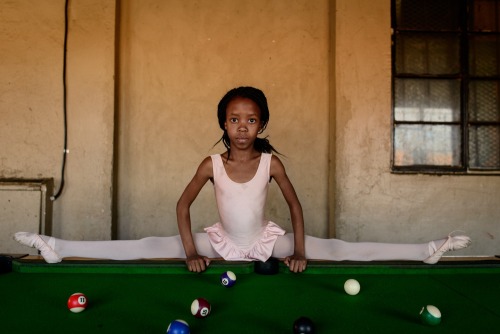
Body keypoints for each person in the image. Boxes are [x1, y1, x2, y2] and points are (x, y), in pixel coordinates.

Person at [14, 86, 471, 273]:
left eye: (250, 120)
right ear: (224, 124)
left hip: (267, 242)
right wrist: (192, 251)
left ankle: (427, 251)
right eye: (233, 119)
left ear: (262, 124)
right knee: (144, 245)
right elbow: (182, 206)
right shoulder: (210, 165)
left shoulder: (272, 164)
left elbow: (294, 206)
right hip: (219, 241)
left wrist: (299, 251)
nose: (241, 127)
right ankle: (59, 247)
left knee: (343, 250)